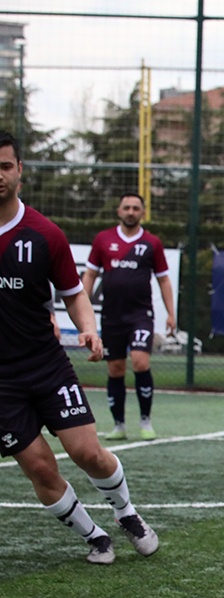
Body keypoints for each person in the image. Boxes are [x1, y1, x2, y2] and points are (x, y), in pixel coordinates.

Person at [0, 131, 159, 564]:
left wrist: (88, 329)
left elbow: (74, 293)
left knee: (87, 452)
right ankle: (94, 536)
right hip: (2, 383)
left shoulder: (45, 234)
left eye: (5, 166)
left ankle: (127, 513)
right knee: (39, 466)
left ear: (19, 171)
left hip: (45, 364)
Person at [81, 192, 176, 441]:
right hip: (112, 316)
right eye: (127, 208)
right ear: (119, 211)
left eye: (135, 208)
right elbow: (90, 274)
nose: (131, 212)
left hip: (140, 315)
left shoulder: (152, 243)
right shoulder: (103, 239)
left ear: (143, 212)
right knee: (115, 368)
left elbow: (164, 280)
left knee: (140, 361)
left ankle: (145, 420)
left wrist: (171, 313)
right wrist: (82, 305)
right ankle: (119, 425)